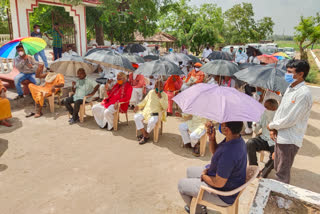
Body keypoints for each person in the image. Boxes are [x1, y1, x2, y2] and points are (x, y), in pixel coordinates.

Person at [178, 121, 247, 213]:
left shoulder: (229, 153)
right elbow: (216, 152)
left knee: (181, 185)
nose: (220, 125)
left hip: (223, 193)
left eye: (222, 125)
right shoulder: (235, 139)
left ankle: (199, 211)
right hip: (224, 179)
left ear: (227, 130)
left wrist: (204, 176)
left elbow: (218, 183)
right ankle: (199, 203)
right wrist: (212, 139)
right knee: (190, 171)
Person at [268, 59, 312, 184]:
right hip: (281, 135)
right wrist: (274, 129)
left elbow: (290, 119)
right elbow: (282, 111)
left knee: (282, 173)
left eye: (289, 72)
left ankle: (282, 201)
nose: (286, 74)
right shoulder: (290, 88)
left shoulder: (303, 94)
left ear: (300, 74)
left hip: (289, 139)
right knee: (278, 168)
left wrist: (271, 125)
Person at [134, 80, 168, 145]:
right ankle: (145, 134)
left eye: (160, 86)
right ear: (154, 86)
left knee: (152, 121)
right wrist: (138, 106)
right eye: (157, 86)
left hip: (156, 113)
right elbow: (144, 101)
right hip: (146, 112)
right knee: (136, 117)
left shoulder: (164, 95)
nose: (159, 87)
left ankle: (146, 134)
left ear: (162, 87)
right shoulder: (151, 92)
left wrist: (160, 98)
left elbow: (165, 107)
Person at [247, 99, 278, 167]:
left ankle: (265, 171)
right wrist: (255, 125)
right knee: (250, 143)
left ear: (274, 108)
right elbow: (256, 129)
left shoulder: (279, 117)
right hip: (264, 139)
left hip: (275, 142)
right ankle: (254, 166)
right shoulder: (263, 114)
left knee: (274, 157)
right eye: (264, 107)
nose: (265, 109)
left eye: (267, 107)